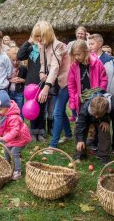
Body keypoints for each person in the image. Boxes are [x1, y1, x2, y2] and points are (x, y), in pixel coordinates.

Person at [31, 21, 72, 153]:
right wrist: (41, 72)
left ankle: (53, 145)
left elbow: (55, 67)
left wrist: (46, 86)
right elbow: (43, 63)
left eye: (40, 36)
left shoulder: (58, 46)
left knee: (56, 112)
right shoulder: (42, 45)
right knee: (60, 111)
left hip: (65, 82)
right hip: (54, 81)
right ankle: (69, 134)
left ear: (47, 34)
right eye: (36, 36)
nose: (38, 39)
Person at [67, 40, 107, 152]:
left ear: (86, 51)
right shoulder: (74, 66)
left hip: (95, 98)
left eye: (78, 54)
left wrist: (100, 92)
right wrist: (73, 100)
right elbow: (71, 84)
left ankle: (97, 144)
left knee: (97, 120)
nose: (76, 57)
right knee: (83, 121)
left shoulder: (97, 63)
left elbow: (103, 78)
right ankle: (81, 146)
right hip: (81, 99)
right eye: (74, 55)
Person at [0, 90, 31, 180]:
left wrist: (4, 138)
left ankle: (17, 171)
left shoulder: (14, 117)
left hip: (21, 138)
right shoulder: (1, 116)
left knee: (14, 153)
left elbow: (15, 131)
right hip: (11, 138)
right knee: (6, 150)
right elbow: (0, 128)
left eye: (0, 109)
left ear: (7, 107)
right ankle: (8, 166)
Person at [17, 35, 47, 142]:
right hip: (31, 83)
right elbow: (19, 56)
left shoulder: (47, 49)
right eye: (37, 36)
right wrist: (29, 41)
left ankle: (41, 131)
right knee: (32, 107)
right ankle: (33, 131)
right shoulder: (31, 49)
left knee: (42, 108)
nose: (39, 39)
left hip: (43, 83)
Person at [74, 93, 114, 164]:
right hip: (87, 117)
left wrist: (106, 120)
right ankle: (80, 153)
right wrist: (80, 140)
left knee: (104, 129)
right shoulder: (84, 108)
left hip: (103, 118)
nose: (96, 117)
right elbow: (80, 125)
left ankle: (104, 155)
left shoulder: (112, 104)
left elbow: (113, 116)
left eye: (98, 115)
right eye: (95, 115)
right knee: (78, 132)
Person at [8, 47, 27, 117]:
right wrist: (10, 80)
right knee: (10, 111)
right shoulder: (8, 68)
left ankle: (20, 126)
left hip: (19, 93)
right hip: (9, 92)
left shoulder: (23, 68)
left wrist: (22, 80)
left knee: (20, 111)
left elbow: (28, 80)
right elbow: (3, 78)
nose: (15, 62)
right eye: (13, 60)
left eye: (17, 60)